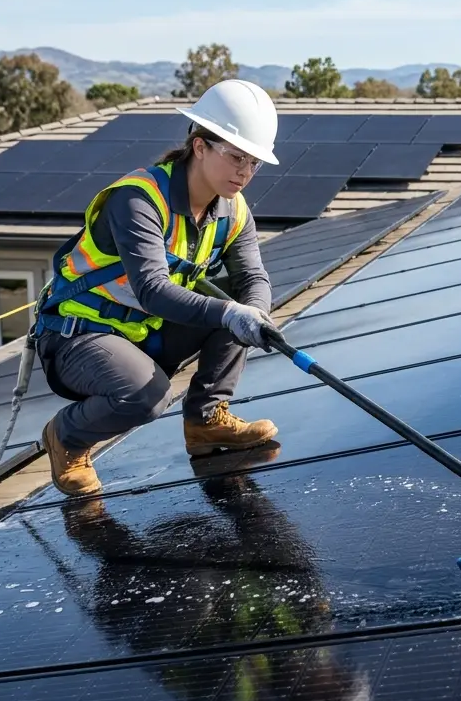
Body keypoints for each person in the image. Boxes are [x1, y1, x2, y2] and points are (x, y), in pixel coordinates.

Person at [32, 78, 284, 498]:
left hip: (145, 334)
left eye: (254, 162)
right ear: (200, 146)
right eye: (236, 156)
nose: (245, 171)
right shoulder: (138, 200)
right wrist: (231, 314)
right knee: (149, 397)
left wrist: (255, 314)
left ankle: (205, 421)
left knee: (239, 307)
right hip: (79, 336)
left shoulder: (233, 211)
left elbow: (253, 279)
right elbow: (150, 288)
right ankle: (67, 437)